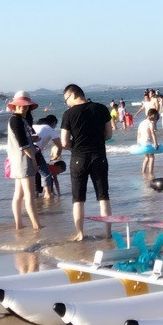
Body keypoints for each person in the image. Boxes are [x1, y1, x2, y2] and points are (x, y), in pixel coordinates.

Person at [59, 84, 113, 242]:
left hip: (78, 158)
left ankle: (80, 233)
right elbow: (109, 134)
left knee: (78, 199)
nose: (67, 103)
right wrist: (95, 141)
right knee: (103, 196)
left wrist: (75, 146)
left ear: (74, 95)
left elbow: (64, 142)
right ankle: (108, 233)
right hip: (98, 156)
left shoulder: (68, 114)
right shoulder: (101, 108)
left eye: (66, 99)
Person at [5, 91, 42, 232]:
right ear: (15, 106)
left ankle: (19, 225)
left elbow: (21, 140)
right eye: (20, 105)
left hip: (17, 160)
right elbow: (22, 144)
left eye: (25, 106)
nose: (23, 108)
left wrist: (33, 139)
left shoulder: (20, 120)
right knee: (29, 196)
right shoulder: (16, 120)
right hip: (23, 160)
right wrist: (33, 161)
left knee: (19, 195)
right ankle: (36, 225)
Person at [33, 114, 62, 200]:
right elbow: (59, 145)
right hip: (35, 150)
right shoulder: (49, 129)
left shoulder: (34, 126)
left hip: (23, 150)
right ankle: (48, 195)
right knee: (46, 174)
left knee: (32, 173)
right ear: (53, 123)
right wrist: (57, 155)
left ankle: (34, 194)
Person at [136, 108, 161, 177]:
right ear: (153, 115)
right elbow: (153, 133)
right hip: (147, 142)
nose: (156, 117)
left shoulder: (142, 122)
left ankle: (143, 171)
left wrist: (138, 142)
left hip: (141, 142)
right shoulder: (150, 123)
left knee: (146, 157)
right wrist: (155, 143)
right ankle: (151, 172)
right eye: (156, 116)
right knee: (152, 157)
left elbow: (138, 133)